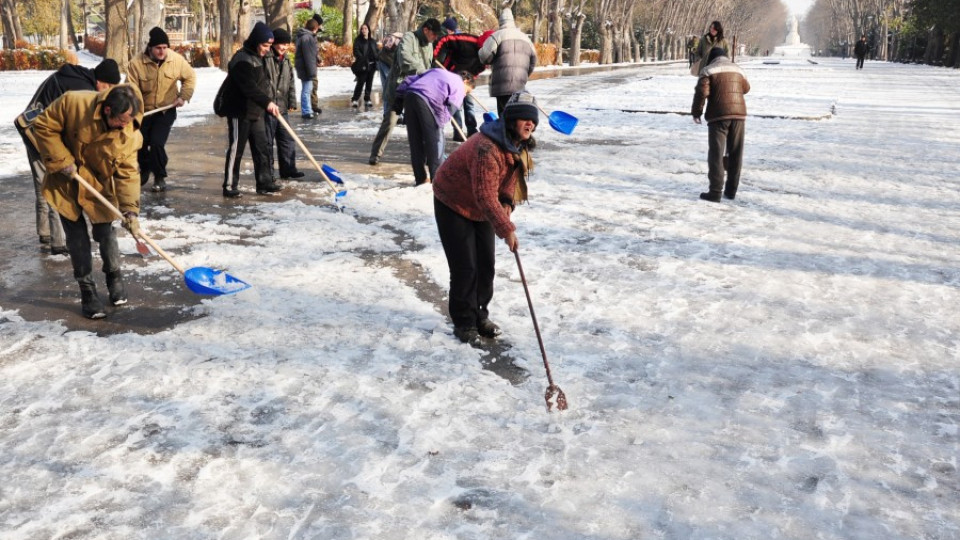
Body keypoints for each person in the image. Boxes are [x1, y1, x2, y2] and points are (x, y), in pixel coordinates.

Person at [432, 90, 539, 345]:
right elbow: (484, 195)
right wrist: (507, 228)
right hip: (452, 201)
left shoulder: (517, 146)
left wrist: (507, 206)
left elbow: (508, 185)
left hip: (479, 206)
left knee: (486, 265)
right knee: (465, 267)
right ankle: (465, 322)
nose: (530, 124)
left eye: (533, 120)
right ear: (512, 120)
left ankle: (480, 314)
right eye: (525, 118)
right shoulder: (486, 148)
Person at [31, 85, 143, 319]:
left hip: (98, 185)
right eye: (121, 120)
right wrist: (62, 159)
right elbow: (43, 126)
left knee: (106, 233)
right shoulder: (73, 102)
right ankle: (87, 291)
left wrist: (130, 210)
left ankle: (114, 276)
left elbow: (128, 173)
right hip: (65, 179)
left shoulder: (130, 135)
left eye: (129, 120)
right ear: (107, 110)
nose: (125, 125)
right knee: (77, 239)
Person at [15, 59, 121, 256]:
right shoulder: (82, 91)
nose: (107, 93)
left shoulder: (75, 76)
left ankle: (45, 233)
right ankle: (57, 242)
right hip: (43, 138)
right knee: (56, 186)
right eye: (108, 87)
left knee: (41, 186)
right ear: (101, 81)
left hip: (31, 131)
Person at [127, 27, 197, 192]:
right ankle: (144, 168)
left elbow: (190, 77)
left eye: (165, 48)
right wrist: (133, 110)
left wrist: (183, 96)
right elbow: (130, 89)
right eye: (158, 48)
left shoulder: (176, 60)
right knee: (141, 143)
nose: (162, 51)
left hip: (166, 110)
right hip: (143, 111)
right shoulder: (136, 63)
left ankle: (159, 176)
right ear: (150, 48)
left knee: (157, 143)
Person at [218, 22, 282, 197]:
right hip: (240, 111)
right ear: (255, 42)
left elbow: (264, 84)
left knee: (262, 147)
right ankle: (230, 185)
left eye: (269, 46)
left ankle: (264, 182)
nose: (267, 49)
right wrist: (267, 102)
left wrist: (268, 102)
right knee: (236, 150)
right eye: (264, 45)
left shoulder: (261, 57)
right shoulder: (241, 60)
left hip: (256, 111)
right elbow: (249, 87)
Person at [368, 18, 442, 166]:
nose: (435, 38)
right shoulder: (409, 38)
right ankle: (375, 154)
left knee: (421, 124)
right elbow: (405, 60)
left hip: (417, 92)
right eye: (434, 34)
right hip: (398, 89)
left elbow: (430, 63)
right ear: (426, 30)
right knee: (390, 121)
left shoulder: (429, 44)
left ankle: (427, 158)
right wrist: (424, 73)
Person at [395, 68, 474, 185]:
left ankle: (420, 178)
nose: (465, 94)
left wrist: (398, 98)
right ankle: (437, 180)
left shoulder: (437, 71)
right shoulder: (458, 84)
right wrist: (439, 126)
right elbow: (450, 109)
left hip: (410, 96)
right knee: (434, 143)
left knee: (415, 141)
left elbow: (409, 80)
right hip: (428, 101)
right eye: (467, 92)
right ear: (466, 81)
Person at [691, 47, 750, 202]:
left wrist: (697, 113)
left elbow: (702, 93)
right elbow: (746, 88)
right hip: (738, 115)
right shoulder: (738, 69)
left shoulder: (708, 70)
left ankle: (715, 192)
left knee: (716, 154)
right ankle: (731, 191)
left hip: (718, 115)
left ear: (712, 58)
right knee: (736, 153)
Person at [433, 20, 487, 141]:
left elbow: (479, 68)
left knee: (469, 102)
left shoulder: (487, 54)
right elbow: (445, 40)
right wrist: (436, 58)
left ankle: (472, 130)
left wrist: (470, 81)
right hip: (451, 74)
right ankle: (458, 131)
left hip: (467, 79)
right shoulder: (467, 40)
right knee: (455, 103)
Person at [478, 8, 537, 114]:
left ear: (500, 21)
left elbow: (484, 56)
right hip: (520, 84)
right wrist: (524, 75)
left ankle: (504, 129)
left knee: (504, 116)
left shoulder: (497, 36)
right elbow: (533, 61)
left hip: (502, 84)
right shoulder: (526, 39)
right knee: (516, 116)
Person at [264, 27, 304, 180]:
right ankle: (267, 174)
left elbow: (291, 82)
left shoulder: (286, 59)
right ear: (274, 44)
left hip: (282, 108)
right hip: (268, 108)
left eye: (287, 45)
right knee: (267, 142)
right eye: (282, 44)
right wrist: (267, 102)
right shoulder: (266, 58)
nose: (284, 47)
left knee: (287, 139)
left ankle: (288, 169)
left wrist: (292, 101)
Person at [294, 18, 320, 119]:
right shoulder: (308, 38)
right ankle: (306, 110)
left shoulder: (303, 36)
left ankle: (307, 109)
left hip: (303, 67)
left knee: (307, 89)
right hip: (306, 68)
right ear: (315, 28)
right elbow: (309, 56)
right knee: (307, 89)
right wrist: (311, 71)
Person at [351, 23, 378, 109]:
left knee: (369, 83)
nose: (364, 30)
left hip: (372, 65)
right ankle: (355, 99)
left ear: (368, 30)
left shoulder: (372, 41)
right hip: (363, 65)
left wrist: (377, 59)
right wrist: (362, 59)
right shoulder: (358, 40)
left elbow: (376, 51)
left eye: (365, 28)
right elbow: (356, 51)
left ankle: (367, 99)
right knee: (361, 82)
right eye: (362, 29)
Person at [376, 32, 404, 114]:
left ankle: (392, 113)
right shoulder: (398, 40)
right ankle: (388, 113)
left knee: (392, 88)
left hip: (387, 62)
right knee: (389, 88)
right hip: (385, 62)